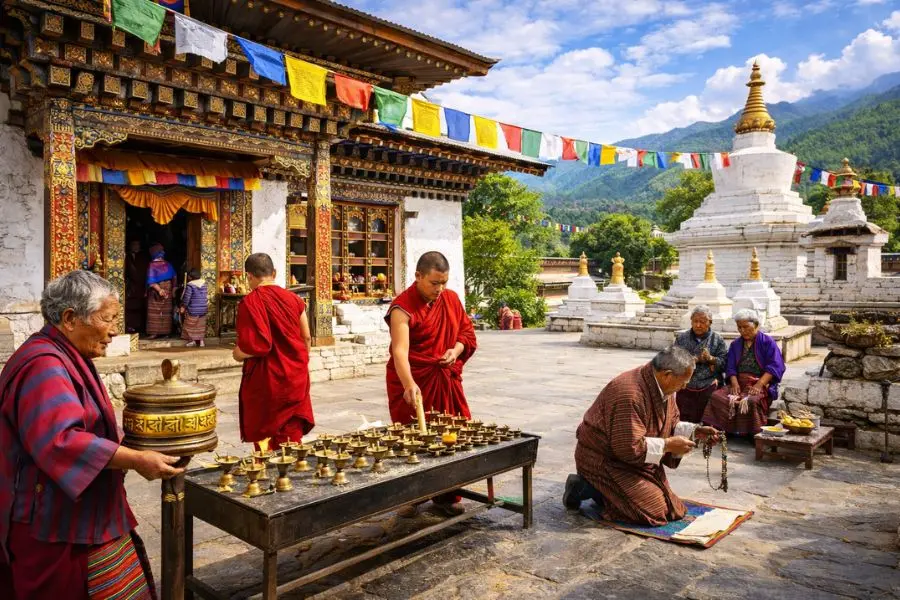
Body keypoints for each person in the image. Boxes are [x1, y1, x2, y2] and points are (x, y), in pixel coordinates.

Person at [0, 270, 184, 599]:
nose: (115, 331)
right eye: (108, 319)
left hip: (86, 514)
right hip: (55, 526)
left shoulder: (68, 354)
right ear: (70, 318)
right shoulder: (44, 365)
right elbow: (62, 441)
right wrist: (138, 459)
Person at [563, 347, 720, 526]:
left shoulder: (663, 387)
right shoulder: (629, 394)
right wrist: (668, 445)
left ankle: (607, 492)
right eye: (683, 382)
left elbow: (669, 422)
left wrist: (695, 432)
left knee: (671, 506)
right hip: (605, 460)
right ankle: (586, 487)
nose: (684, 387)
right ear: (667, 374)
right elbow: (627, 448)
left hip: (635, 463)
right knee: (654, 510)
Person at [386, 251, 477, 516]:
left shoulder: (450, 299)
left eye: (444, 283)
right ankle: (413, 492)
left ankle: (447, 493)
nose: (440, 289)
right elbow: (400, 351)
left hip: (443, 377)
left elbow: (465, 332)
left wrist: (456, 350)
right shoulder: (402, 307)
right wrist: (409, 384)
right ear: (418, 277)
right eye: (434, 283)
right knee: (414, 437)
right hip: (413, 376)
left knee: (451, 432)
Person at [233, 253, 313, 450]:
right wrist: (300, 364)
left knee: (266, 431)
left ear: (249, 276)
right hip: (294, 375)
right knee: (290, 435)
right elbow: (307, 337)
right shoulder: (295, 299)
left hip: (267, 379)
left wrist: (237, 354)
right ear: (274, 273)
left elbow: (256, 346)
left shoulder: (250, 302)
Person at [703, 309, 785, 436]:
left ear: (756, 325)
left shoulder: (768, 342)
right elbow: (730, 367)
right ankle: (723, 430)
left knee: (751, 401)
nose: (742, 331)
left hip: (758, 382)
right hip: (739, 382)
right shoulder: (736, 344)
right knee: (717, 396)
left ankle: (752, 433)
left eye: (746, 327)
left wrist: (759, 385)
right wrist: (734, 384)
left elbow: (775, 366)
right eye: (739, 327)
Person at [673, 305, 728, 422]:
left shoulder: (718, 339)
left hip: (709, 380)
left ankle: (706, 432)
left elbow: (725, 363)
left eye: (702, 322)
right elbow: (674, 361)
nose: (698, 325)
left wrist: (711, 359)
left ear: (710, 322)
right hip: (686, 381)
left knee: (711, 397)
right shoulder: (682, 338)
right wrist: (695, 359)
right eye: (695, 321)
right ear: (691, 321)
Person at [145, 243, 176, 339]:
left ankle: (160, 332)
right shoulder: (167, 264)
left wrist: (161, 290)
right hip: (161, 291)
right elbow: (174, 277)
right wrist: (168, 289)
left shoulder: (153, 265)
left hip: (161, 290)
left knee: (164, 312)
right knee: (157, 312)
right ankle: (160, 332)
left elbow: (151, 281)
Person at [124, 240, 149, 334]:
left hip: (141, 285)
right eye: (133, 245)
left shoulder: (143, 257)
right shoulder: (127, 256)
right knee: (130, 306)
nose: (135, 247)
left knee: (140, 307)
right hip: (131, 286)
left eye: (137, 245)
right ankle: (130, 326)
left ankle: (140, 328)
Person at [180, 268, 209, 348]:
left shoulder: (190, 285)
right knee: (200, 325)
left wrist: (183, 306)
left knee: (190, 325)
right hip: (203, 309)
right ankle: (201, 341)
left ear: (191, 277)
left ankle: (192, 341)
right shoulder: (204, 284)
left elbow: (187, 298)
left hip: (193, 309)